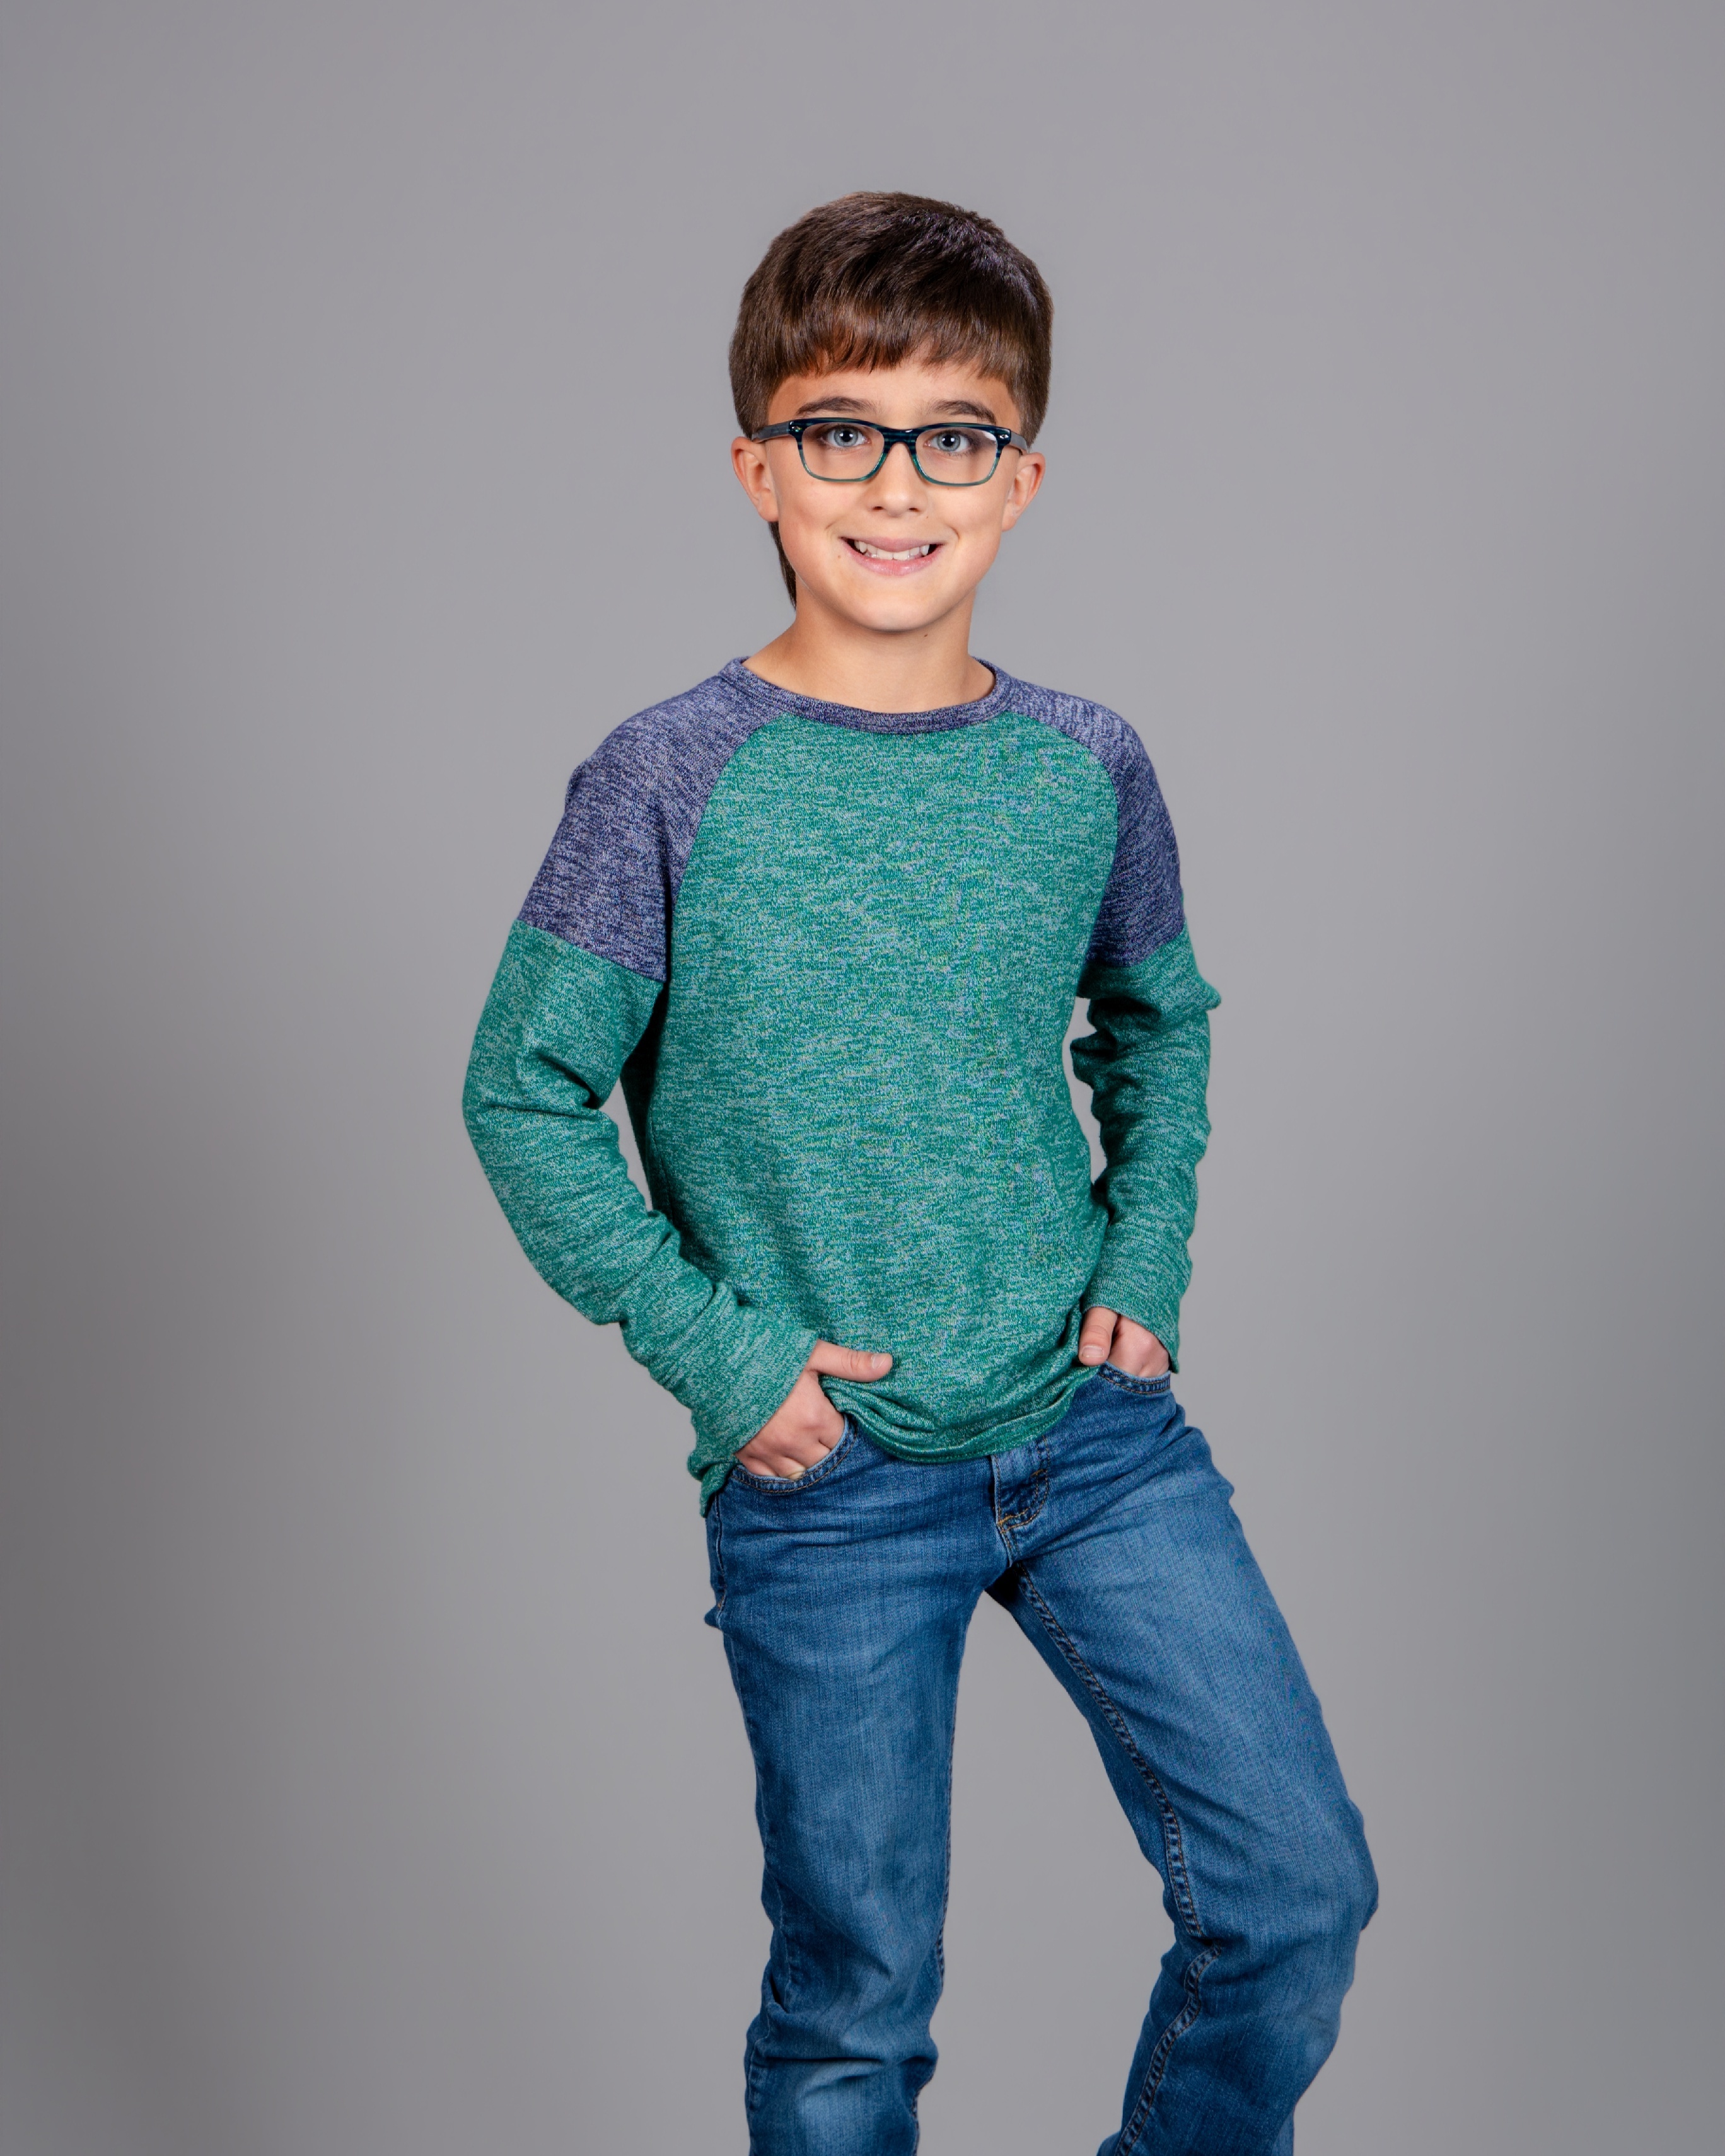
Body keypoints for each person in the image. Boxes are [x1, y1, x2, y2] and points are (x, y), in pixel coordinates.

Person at [462, 191, 1376, 2156]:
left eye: (954, 435)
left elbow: (1158, 1017)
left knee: (1296, 1891)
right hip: (834, 1473)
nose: (897, 483)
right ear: (758, 467)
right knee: (853, 2003)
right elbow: (522, 1091)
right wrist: (723, 1361)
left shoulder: (1085, 763)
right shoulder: (666, 774)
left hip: (1092, 1427)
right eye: (841, 430)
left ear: (1020, 478)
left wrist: (1148, 1249)